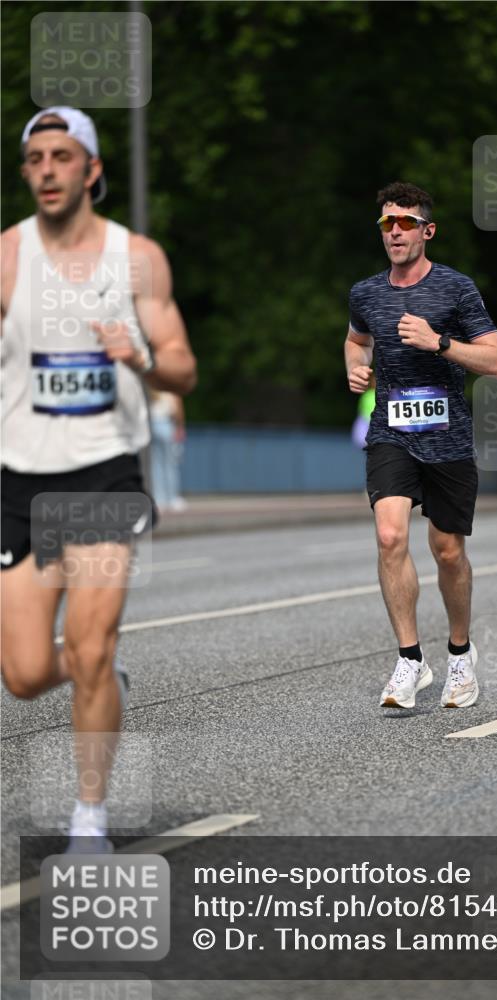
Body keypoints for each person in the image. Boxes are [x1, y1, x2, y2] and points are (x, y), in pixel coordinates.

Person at [1, 107, 196, 849]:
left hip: (103, 477)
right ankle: (100, 679)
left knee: (90, 645)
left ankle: (90, 817)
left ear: (92, 169)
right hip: (19, 479)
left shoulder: (136, 257)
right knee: (22, 674)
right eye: (35, 158)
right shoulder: (8, 258)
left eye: (62, 155)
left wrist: (141, 355)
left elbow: (184, 363)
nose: (47, 169)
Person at [345, 182, 497, 710]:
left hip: (449, 438)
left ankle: (460, 654)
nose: (395, 231)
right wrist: (354, 366)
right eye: (387, 224)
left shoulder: (457, 290)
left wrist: (438, 341)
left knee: (448, 550)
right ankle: (410, 660)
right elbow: (355, 338)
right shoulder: (366, 293)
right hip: (392, 433)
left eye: (406, 223)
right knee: (390, 536)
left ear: (427, 231)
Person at [149, 389, 188, 512]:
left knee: (156, 465)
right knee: (170, 464)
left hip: (151, 424)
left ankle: (159, 499)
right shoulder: (170, 387)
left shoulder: (150, 387)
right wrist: (180, 426)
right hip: (166, 424)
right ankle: (172, 498)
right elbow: (177, 408)